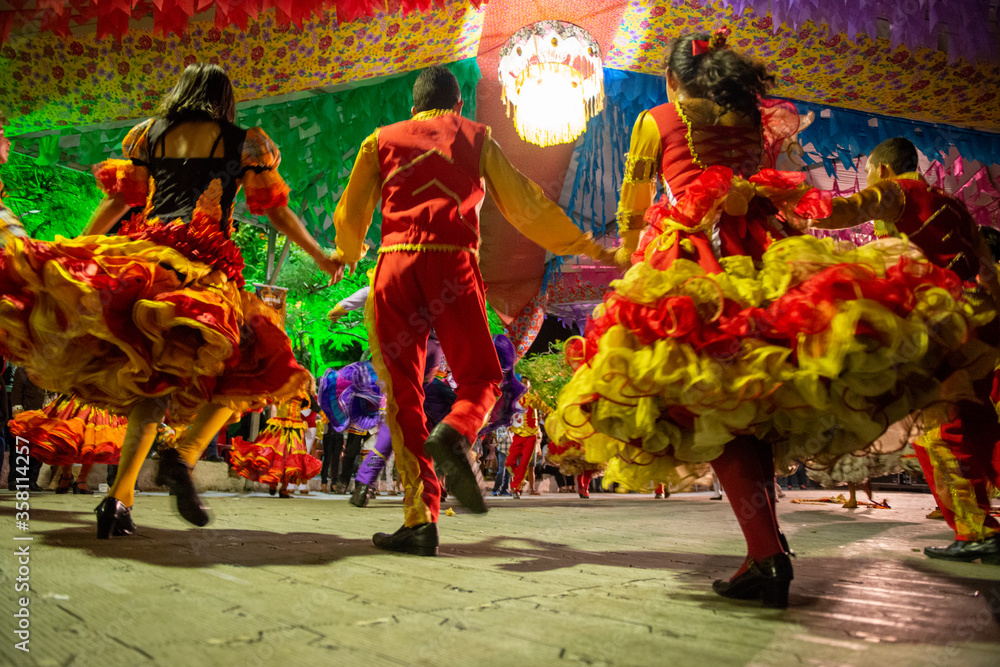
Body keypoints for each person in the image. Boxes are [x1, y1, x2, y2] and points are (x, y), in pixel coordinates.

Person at [547, 32, 993, 607]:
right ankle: (768, 548)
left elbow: (632, 210)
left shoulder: (658, 118)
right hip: (765, 253)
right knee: (748, 397)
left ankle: (767, 555)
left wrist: (632, 265)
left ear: (674, 80)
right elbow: (772, 184)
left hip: (694, 256)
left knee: (713, 396)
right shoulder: (754, 122)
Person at [0, 64, 341, 538]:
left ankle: (118, 501)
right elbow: (276, 211)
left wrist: (77, 250)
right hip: (205, 266)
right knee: (260, 358)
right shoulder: (245, 142)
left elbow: (120, 202)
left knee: (154, 385)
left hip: (150, 261)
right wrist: (322, 257)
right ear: (225, 99)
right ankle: (182, 455)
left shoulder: (148, 135)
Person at [329, 66, 615, 556]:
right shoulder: (475, 136)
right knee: (482, 377)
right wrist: (585, 244)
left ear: (413, 107)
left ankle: (420, 521)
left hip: (395, 267)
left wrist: (346, 253)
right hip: (453, 265)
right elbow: (525, 203)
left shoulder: (380, 140)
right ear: (458, 105)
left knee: (403, 397)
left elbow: (351, 212)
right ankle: (458, 430)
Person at [808, 141, 1000, 562]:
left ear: (882, 171)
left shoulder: (896, 193)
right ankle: (981, 524)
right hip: (979, 327)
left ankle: (976, 530)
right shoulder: (954, 206)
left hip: (934, 328)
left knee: (938, 430)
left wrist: (793, 205)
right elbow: (987, 270)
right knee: (978, 422)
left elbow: (841, 214)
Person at [9, 394, 127, 494]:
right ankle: (67, 477)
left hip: (98, 396)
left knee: (92, 440)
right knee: (68, 436)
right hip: (78, 394)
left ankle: (79, 480)